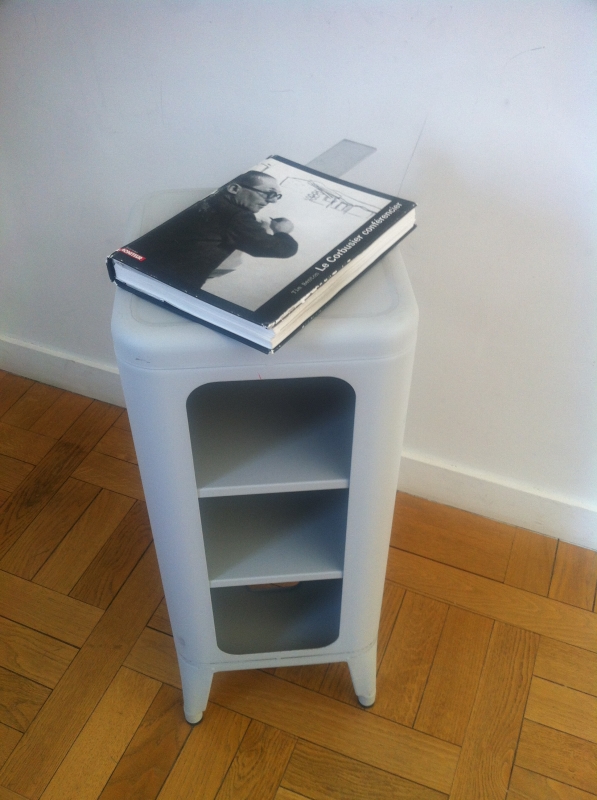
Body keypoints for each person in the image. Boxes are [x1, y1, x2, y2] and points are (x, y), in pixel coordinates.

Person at [129, 171, 298, 294]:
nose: (272, 201)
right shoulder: (237, 216)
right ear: (234, 188)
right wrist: (282, 232)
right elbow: (280, 249)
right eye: (269, 193)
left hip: (140, 264)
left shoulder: (209, 200)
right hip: (168, 284)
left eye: (277, 196)